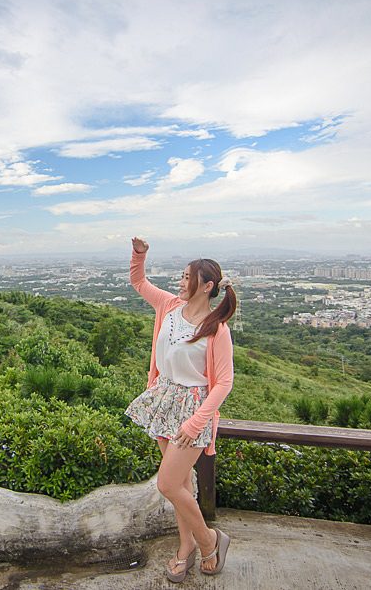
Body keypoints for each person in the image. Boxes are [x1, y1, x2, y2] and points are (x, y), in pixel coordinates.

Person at [124, 236, 235, 583]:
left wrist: (196, 421)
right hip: (164, 399)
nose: (180, 282)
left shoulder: (217, 329)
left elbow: (223, 383)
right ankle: (186, 548)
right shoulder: (169, 306)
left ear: (207, 285)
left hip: (192, 407)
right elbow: (138, 282)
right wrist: (139, 254)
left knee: (168, 484)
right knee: (181, 485)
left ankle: (209, 540)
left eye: (186, 277)